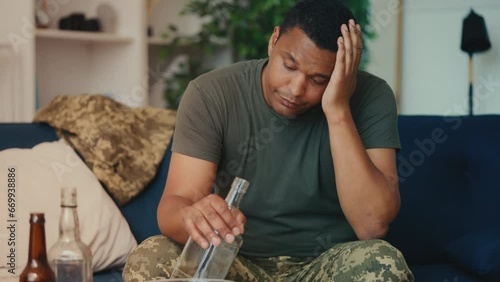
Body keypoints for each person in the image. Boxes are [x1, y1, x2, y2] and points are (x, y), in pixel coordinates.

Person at [123, 0, 414, 281]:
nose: (296, 89)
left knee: (383, 263)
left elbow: (372, 225)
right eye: (289, 66)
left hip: (328, 263)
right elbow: (175, 205)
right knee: (151, 257)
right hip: (233, 260)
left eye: (318, 80)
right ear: (273, 41)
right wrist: (191, 217)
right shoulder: (211, 93)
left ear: (343, 71)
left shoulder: (372, 96)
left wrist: (338, 110)